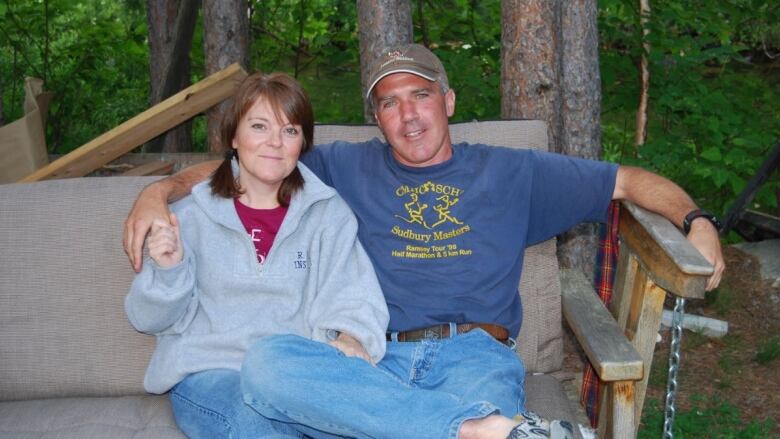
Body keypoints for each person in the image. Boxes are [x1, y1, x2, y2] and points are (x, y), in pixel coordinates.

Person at [124, 44, 725, 439]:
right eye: (390, 103)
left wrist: (698, 219)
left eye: (421, 95)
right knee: (271, 362)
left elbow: (627, 181)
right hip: (375, 361)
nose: (408, 115)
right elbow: (251, 167)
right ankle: (489, 432)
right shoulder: (341, 170)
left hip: (475, 353)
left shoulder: (512, 172)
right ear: (376, 119)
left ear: (449, 101)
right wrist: (159, 194)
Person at [124, 72, 389, 439]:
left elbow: (354, 295)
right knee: (259, 428)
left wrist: (351, 337)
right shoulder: (189, 216)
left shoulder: (327, 214)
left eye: (290, 131)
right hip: (210, 373)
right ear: (234, 137)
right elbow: (146, 318)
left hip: (291, 376)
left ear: (303, 144)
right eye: (260, 126)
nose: (275, 143)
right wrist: (169, 271)